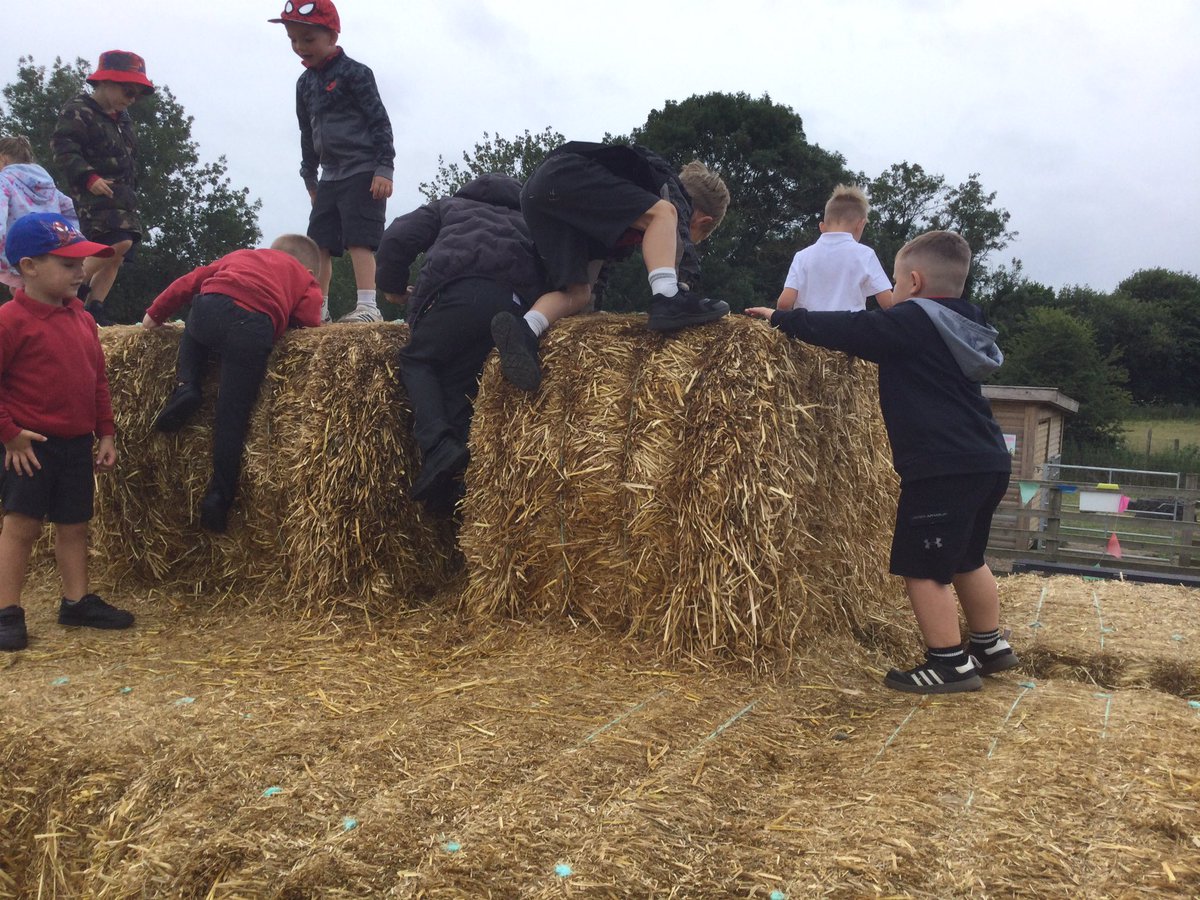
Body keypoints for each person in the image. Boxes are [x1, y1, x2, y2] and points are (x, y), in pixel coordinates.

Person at [746, 231, 1017, 694]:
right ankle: (989, 647)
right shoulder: (967, 323)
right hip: (987, 458)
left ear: (912, 281)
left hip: (941, 466)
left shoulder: (913, 321)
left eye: (894, 280)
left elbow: (852, 330)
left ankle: (950, 664)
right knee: (967, 557)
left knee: (922, 565)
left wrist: (784, 320)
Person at [490, 141, 731, 391]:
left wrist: (588, 321)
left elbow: (599, 263)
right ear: (703, 221)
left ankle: (526, 329)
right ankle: (668, 296)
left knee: (578, 293)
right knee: (664, 215)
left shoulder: (621, 212)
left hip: (538, 193)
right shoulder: (671, 189)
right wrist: (684, 289)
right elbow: (677, 228)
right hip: (564, 175)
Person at [0, 213, 131, 652]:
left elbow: (97, 380)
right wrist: (10, 434)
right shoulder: (9, 321)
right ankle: (7, 611)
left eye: (81, 263)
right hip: (30, 446)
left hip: (77, 442)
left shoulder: (83, 319)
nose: (80, 272)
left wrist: (106, 433)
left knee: (74, 524)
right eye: (68, 263)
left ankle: (75, 602)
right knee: (21, 526)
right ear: (29, 267)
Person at [376, 174, 546, 512]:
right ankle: (452, 492)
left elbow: (396, 238)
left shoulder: (449, 207)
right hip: (513, 308)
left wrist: (393, 286)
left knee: (419, 361)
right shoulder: (530, 220)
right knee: (458, 386)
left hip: (456, 293)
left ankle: (438, 446)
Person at [141, 235, 324, 533]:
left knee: (195, 322)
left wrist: (155, 314)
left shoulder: (240, 256)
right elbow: (309, 317)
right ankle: (219, 497)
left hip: (211, 308)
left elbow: (189, 282)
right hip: (251, 328)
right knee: (231, 418)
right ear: (311, 270)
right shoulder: (305, 277)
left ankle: (187, 384)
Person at [271, 0, 394, 324]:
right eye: (293, 40)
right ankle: (317, 307)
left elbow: (379, 121)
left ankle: (368, 306)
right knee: (320, 243)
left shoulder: (356, 73)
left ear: (332, 36)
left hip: (363, 168)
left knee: (359, 238)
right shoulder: (304, 84)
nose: (300, 47)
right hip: (329, 176)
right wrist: (309, 178)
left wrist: (384, 167)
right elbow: (305, 132)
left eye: (308, 39)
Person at [51, 50, 155, 326]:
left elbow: (130, 157)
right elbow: (63, 149)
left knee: (119, 254)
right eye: (127, 90)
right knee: (113, 242)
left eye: (135, 95)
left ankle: (93, 308)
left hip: (124, 194)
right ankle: (64, 290)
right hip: (94, 191)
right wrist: (89, 178)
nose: (131, 99)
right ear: (105, 82)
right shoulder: (78, 109)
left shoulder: (123, 120)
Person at [775, 184, 894, 313]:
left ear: (822, 226)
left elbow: (784, 303)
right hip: (848, 331)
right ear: (861, 225)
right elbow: (888, 303)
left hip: (807, 331)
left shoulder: (802, 256)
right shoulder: (865, 254)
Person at [0, 136, 79, 293]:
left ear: (2, 159)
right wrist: (72, 241)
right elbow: (70, 208)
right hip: (51, 247)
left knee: (21, 294)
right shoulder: (48, 185)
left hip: (18, 248)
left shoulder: (4, 180)